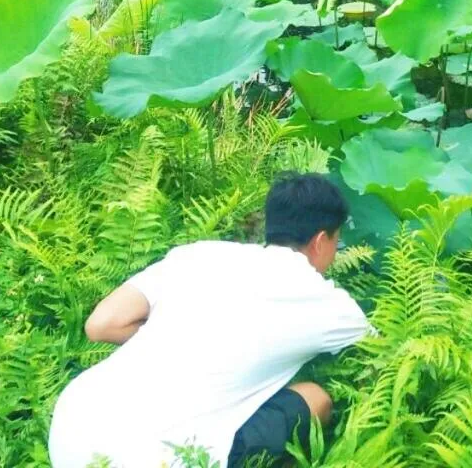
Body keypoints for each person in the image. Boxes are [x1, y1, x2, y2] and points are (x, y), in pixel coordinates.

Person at [48, 173, 369, 468]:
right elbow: (384, 353)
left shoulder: (198, 254)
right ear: (320, 241)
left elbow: (102, 323)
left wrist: (181, 340)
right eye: (336, 241)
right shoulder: (330, 305)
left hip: (71, 434)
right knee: (315, 399)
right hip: (163, 460)